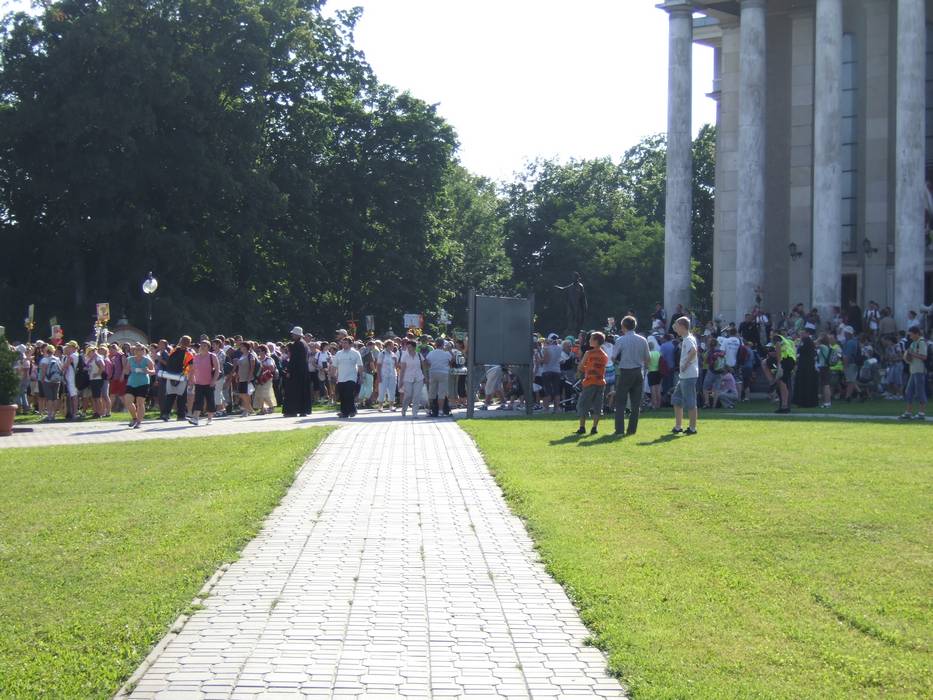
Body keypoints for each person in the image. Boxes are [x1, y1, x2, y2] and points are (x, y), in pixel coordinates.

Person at [611, 316, 650, 436]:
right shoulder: (643, 340)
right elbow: (647, 358)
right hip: (638, 371)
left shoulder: (621, 340)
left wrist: (619, 362)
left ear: (623, 327)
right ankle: (632, 430)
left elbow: (613, 357)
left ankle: (619, 430)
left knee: (620, 402)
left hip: (625, 372)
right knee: (635, 404)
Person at [574, 331, 608, 435]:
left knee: (583, 404)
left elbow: (581, 366)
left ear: (596, 341)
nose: (589, 340)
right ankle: (594, 428)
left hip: (589, 382)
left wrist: (585, 369)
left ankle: (582, 427)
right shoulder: (604, 355)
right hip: (600, 382)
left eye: (591, 339)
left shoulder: (588, 353)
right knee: (598, 405)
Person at [670, 316, 699, 435]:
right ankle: (678, 426)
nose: (675, 329)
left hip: (688, 375)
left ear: (682, 327)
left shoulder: (688, 339)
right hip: (684, 376)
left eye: (677, 326)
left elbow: (693, 351)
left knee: (690, 402)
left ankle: (692, 428)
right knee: (676, 400)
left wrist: (686, 364)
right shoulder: (687, 338)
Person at [187, 340, 220, 426]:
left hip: (209, 383)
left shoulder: (212, 356)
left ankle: (210, 419)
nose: (202, 347)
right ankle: (195, 419)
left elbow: (217, 370)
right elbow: (192, 370)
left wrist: (214, 381)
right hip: (198, 383)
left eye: (205, 345)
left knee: (210, 401)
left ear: (208, 347)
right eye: (201, 345)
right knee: (198, 401)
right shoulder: (196, 357)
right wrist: (191, 381)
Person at [282, 327, 311, 417]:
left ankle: (292, 410)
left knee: (293, 391)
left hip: (296, 372)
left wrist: (289, 371)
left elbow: (294, 360)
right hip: (303, 371)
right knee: (303, 391)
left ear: (297, 335)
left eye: (294, 334)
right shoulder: (304, 344)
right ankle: (303, 410)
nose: (292, 335)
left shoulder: (297, 344)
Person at [332, 336, 363, 418]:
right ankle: (349, 411)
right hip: (341, 378)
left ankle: (347, 412)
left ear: (351, 344)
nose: (343, 344)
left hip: (351, 377)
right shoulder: (339, 353)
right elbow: (334, 365)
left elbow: (360, 365)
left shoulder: (355, 353)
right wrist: (333, 375)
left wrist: (361, 377)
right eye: (342, 343)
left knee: (348, 394)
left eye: (345, 343)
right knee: (342, 395)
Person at [900, 327, 927, 419]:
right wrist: (907, 356)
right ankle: (908, 412)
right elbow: (909, 356)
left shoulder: (921, 342)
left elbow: (924, 357)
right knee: (908, 392)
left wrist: (912, 354)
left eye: (911, 335)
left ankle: (921, 413)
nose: (910, 337)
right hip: (913, 370)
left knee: (920, 392)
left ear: (917, 334)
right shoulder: (913, 343)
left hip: (919, 370)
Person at [125, 344, 154, 428]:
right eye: (136, 349)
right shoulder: (130, 359)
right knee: (128, 402)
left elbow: (153, 371)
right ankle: (134, 418)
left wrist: (147, 371)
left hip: (143, 383)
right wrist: (127, 370)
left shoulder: (147, 360)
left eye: (140, 349)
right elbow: (126, 370)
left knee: (140, 403)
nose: (137, 351)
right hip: (131, 383)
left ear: (143, 350)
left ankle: (139, 421)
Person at [425, 339, 454, 417]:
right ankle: (441, 411)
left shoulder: (431, 353)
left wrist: (431, 366)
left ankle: (430, 409)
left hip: (433, 372)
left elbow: (426, 362)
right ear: (443, 345)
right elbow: (452, 360)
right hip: (443, 373)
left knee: (432, 392)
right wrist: (450, 350)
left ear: (435, 344)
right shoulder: (446, 353)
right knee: (442, 393)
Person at [792, 328, 819, 408]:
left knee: (805, 384)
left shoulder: (806, 341)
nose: (801, 335)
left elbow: (801, 350)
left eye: (803, 333)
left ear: (807, 333)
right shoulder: (805, 341)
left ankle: (804, 402)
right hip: (805, 365)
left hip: (806, 366)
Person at [399, 339, 425, 418]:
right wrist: (400, 381)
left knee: (417, 395)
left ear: (414, 347)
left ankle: (415, 413)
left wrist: (425, 377)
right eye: (407, 347)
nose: (408, 349)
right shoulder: (404, 356)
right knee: (408, 395)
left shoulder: (419, 355)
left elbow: (423, 367)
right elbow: (402, 369)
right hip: (407, 378)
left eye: (410, 347)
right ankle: (404, 409)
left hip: (419, 377)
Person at [771, 332, 797, 413]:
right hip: (791, 361)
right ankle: (784, 405)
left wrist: (779, 364)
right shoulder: (788, 341)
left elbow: (778, 348)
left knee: (782, 383)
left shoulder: (777, 338)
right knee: (784, 383)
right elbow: (794, 351)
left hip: (785, 360)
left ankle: (784, 406)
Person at [538, 333, 563, 413]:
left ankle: (546, 408)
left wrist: (538, 359)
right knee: (556, 390)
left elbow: (546, 361)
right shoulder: (560, 348)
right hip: (557, 370)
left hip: (547, 370)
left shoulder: (546, 348)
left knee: (547, 390)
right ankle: (556, 408)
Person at [38, 344, 62, 423]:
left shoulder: (44, 360)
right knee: (55, 397)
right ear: (53, 351)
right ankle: (54, 415)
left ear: (46, 351)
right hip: (56, 380)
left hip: (47, 381)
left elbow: (43, 370)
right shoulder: (57, 359)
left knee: (49, 398)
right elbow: (61, 369)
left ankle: (49, 415)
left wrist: (42, 379)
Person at [254, 344, 278, 415]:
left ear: (264, 351)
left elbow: (272, 368)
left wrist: (262, 367)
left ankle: (271, 407)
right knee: (259, 394)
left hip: (267, 378)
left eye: (259, 351)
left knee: (265, 394)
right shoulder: (257, 359)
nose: (258, 352)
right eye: (258, 351)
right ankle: (262, 409)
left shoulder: (269, 359)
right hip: (259, 378)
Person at [376, 339, 399, 412]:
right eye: (391, 345)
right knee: (382, 390)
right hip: (383, 375)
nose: (393, 347)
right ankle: (380, 406)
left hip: (392, 375)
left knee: (392, 390)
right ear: (387, 346)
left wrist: (396, 360)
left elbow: (396, 366)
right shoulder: (382, 354)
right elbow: (378, 366)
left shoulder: (393, 354)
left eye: (393, 345)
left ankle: (391, 406)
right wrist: (379, 376)